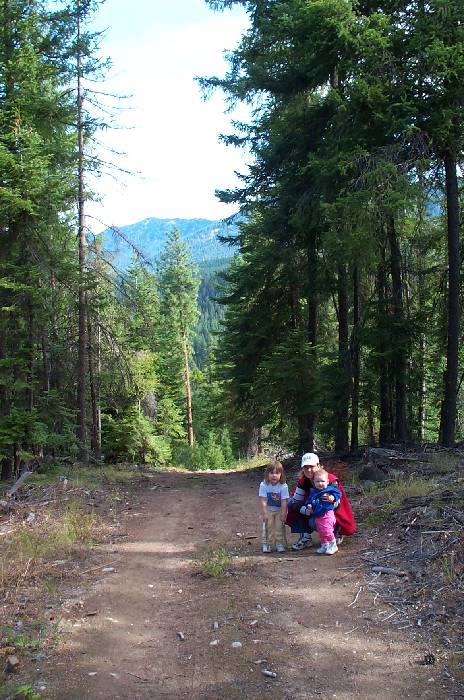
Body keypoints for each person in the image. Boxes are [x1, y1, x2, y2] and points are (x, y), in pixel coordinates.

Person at [287, 452, 356, 551]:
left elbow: (338, 503)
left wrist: (326, 504)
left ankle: (336, 533)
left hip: (329, 511)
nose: (308, 470)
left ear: (318, 466)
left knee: (321, 520)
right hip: (313, 509)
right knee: (291, 505)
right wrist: (307, 510)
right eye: (306, 467)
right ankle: (305, 537)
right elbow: (295, 501)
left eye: (311, 466)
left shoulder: (330, 479)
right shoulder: (303, 481)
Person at [299, 468, 341, 555]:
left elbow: (338, 494)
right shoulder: (314, 492)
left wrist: (332, 497)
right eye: (317, 481)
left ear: (327, 481)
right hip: (318, 515)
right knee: (321, 531)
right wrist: (309, 505)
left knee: (327, 530)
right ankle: (325, 544)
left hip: (327, 514)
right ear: (314, 482)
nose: (320, 483)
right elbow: (309, 500)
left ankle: (333, 544)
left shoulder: (330, 489)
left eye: (322, 481)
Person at [258, 461, 289, 553]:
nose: (274, 475)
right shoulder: (264, 485)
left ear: (281, 474)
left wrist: (283, 514)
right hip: (268, 509)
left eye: (277, 473)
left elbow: (284, 501)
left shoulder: (283, 486)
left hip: (279, 510)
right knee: (268, 526)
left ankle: (279, 543)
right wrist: (264, 513)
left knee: (279, 527)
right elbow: (263, 500)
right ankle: (267, 544)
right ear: (267, 474)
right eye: (271, 473)